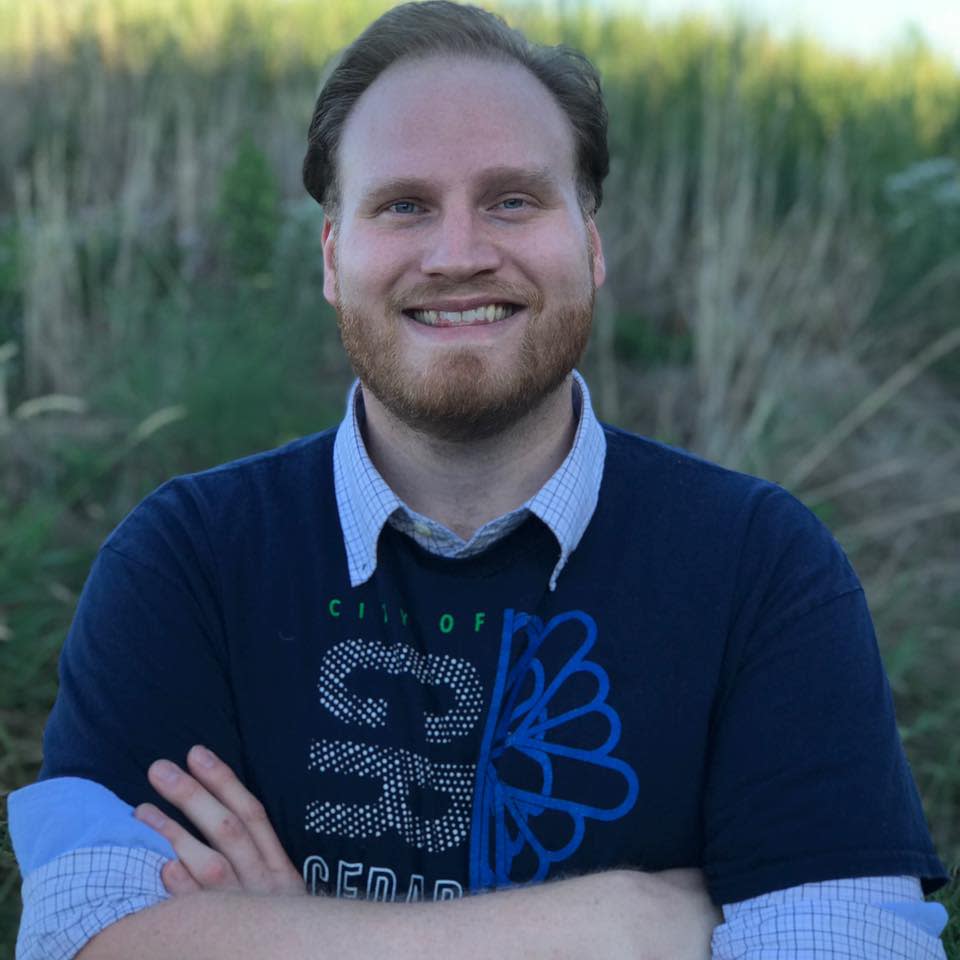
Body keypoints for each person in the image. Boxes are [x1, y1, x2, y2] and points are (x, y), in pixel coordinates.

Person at [9, 2, 950, 958]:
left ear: (590, 240)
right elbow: (83, 938)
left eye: (512, 199)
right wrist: (620, 925)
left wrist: (276, 936)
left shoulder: (761, 570)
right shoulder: (187, 562)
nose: (458, 255)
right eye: (404, 204)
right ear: (335, 257)